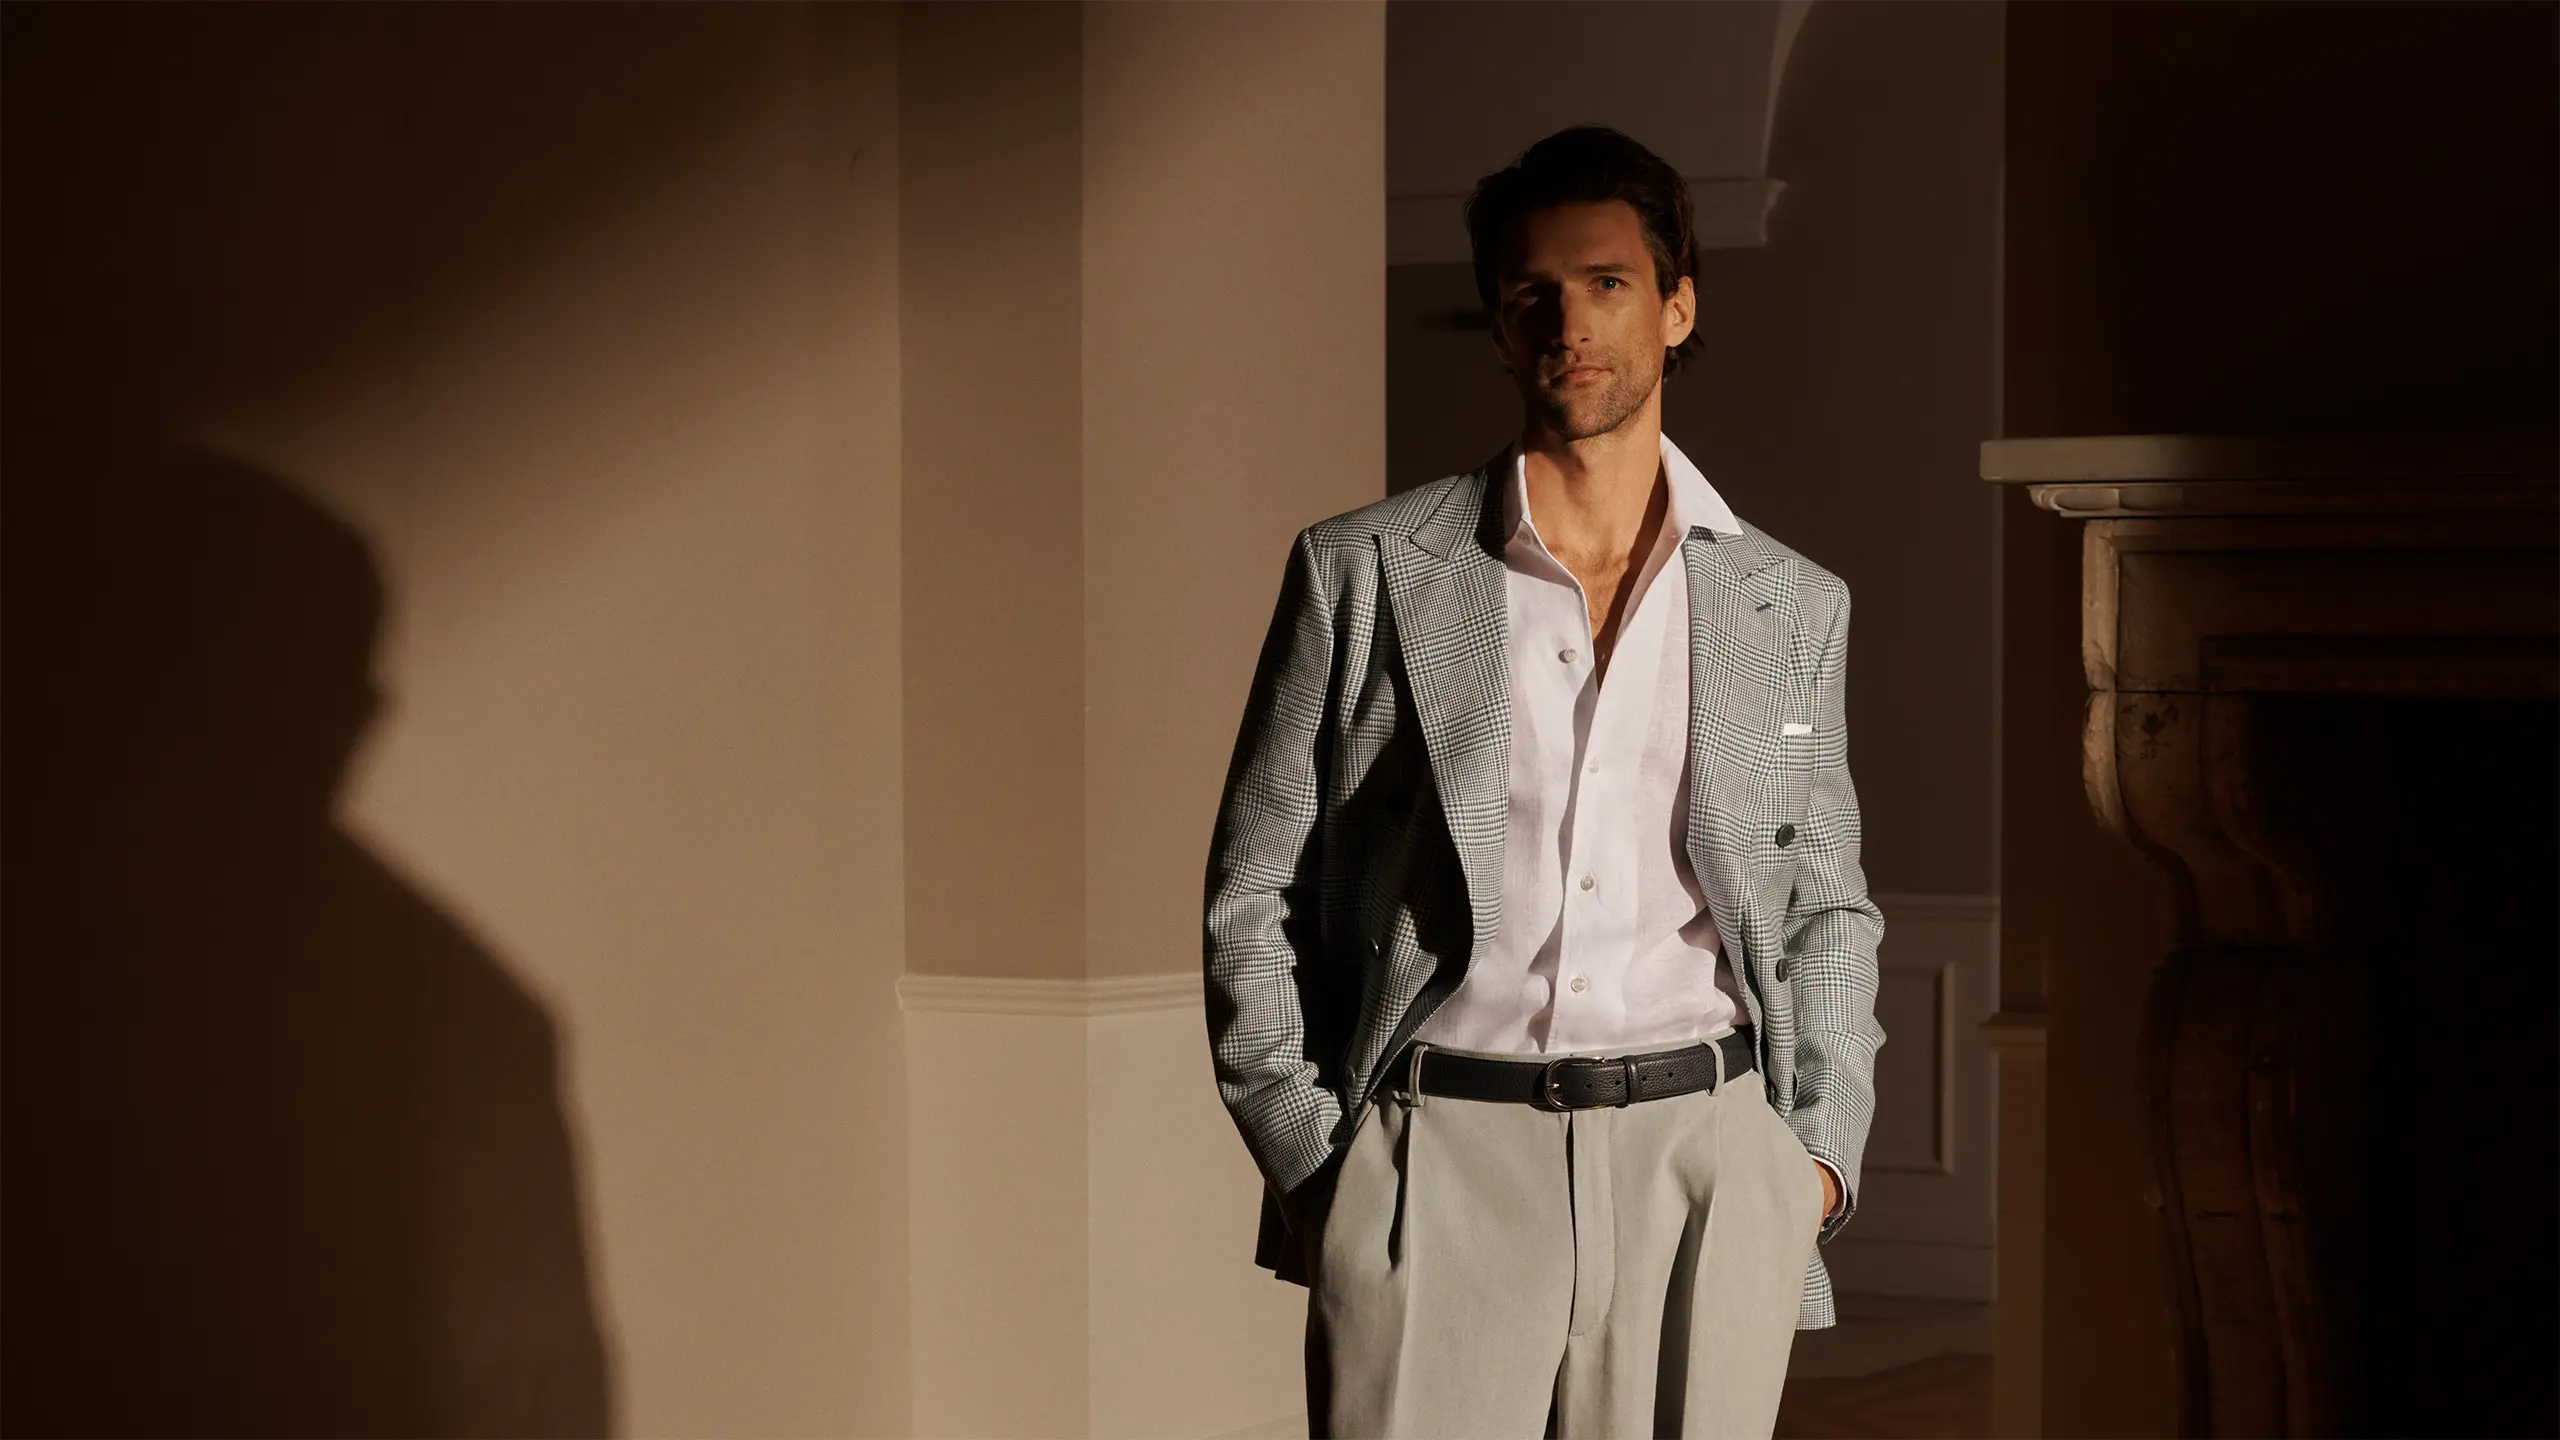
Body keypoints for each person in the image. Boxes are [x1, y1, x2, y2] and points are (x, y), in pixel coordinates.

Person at [1202, 126, 1886, 1439]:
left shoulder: (1789, 605)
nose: (1571, 320)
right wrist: (1320, 1160)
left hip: (1708, 1161)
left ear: (1679, 304)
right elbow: (1252, 888)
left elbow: (1827, 903)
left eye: (1608, 282)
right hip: (1437, 1154)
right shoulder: (1368, 571)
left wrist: (1807, 1170)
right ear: (1502, 326)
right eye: (1533, 293)